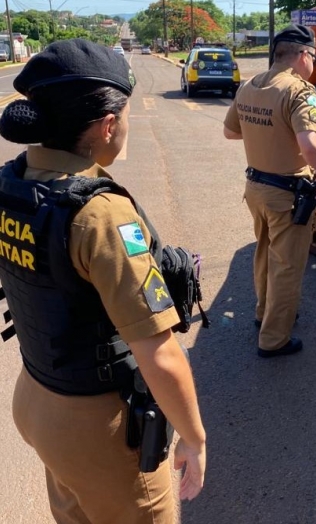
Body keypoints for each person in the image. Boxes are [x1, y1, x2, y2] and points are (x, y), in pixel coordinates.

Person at [0, 39, 206, 523]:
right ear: (107, 124)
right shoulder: (100, 215)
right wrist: (194, 439)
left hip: (37, 398)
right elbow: (159, 352)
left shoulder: (13, 183)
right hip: (99, 427)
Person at [223, 24, 316, 358]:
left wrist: (265, 133)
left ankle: (264, 314)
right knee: (287, 266)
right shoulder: (300, 91)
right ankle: (274, 339)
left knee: (264, 254)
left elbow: (231, 133)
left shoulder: (250, 86)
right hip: (287, 194)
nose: (313, 65)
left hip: (255, 188)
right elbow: (309, 144)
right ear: (302, 55)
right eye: (313, 57)